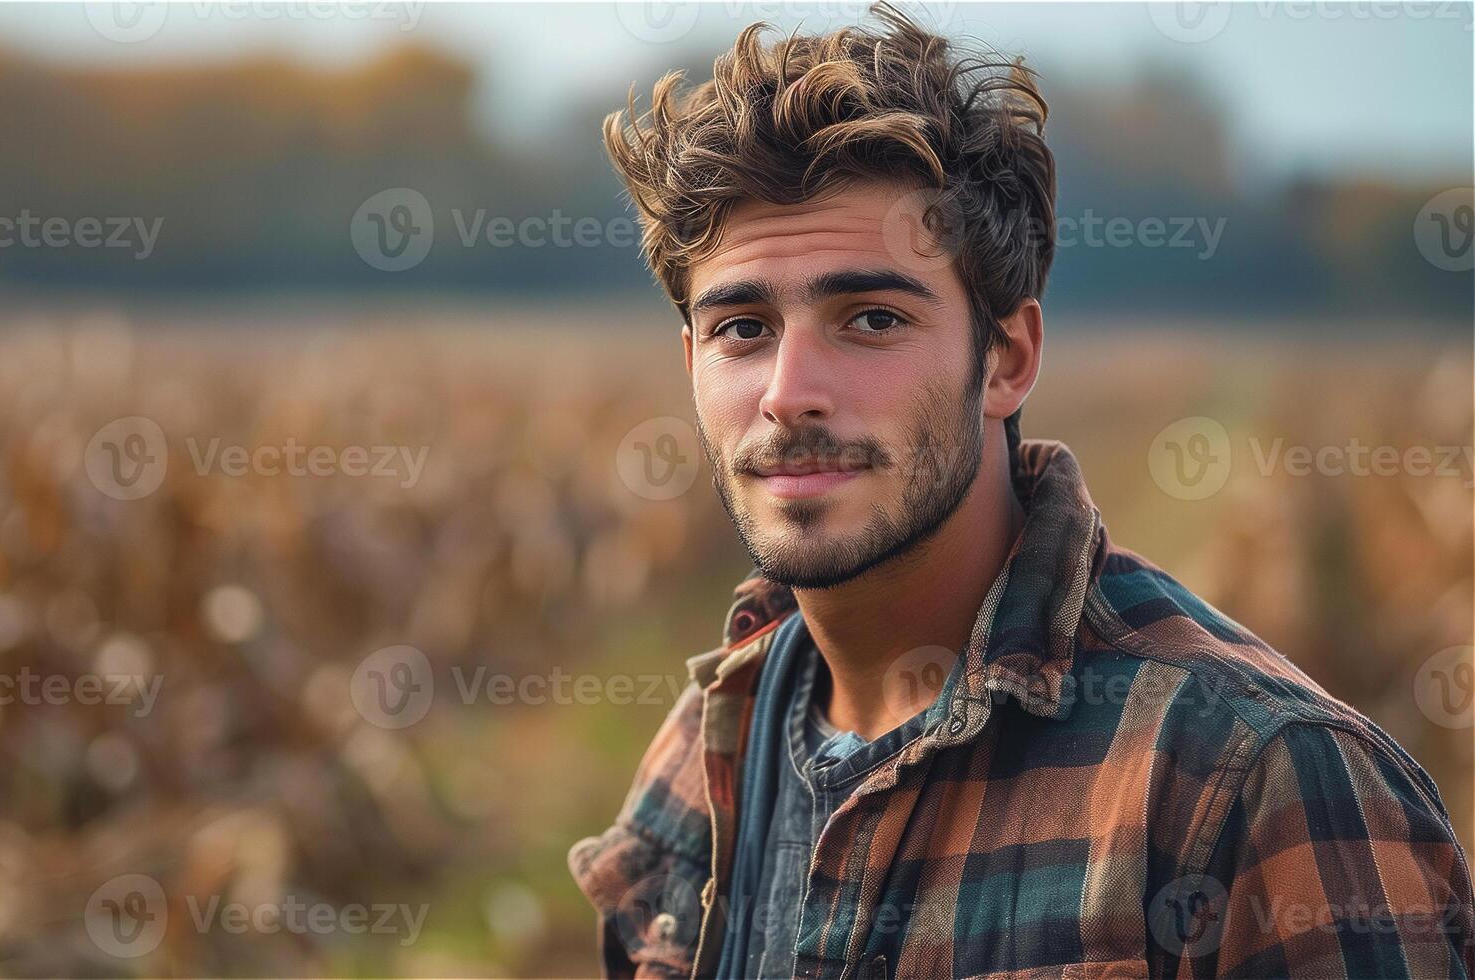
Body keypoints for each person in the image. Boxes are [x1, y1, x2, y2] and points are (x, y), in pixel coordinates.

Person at [570, 5, 1474, 977]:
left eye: (870, 317)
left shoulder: (1260, 783)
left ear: (1007, 357)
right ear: (691, 359)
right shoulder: (705, 756)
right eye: (742, 328)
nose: (789, 393)